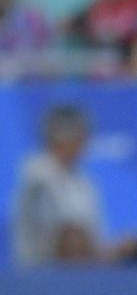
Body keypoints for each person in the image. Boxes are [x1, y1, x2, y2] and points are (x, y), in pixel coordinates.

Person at [11, 106, 119, 266]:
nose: (85, 145)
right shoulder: (36, 175)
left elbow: (94, 235)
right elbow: (65, 237)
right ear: (61, 139)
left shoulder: (84, 181)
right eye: (80, 137)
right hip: (42, 275)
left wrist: (111, 251)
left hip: (85, 273)